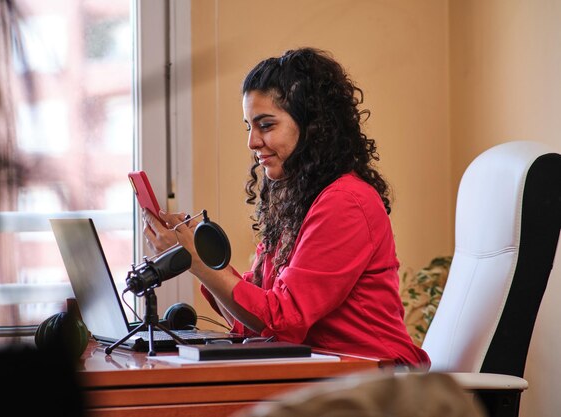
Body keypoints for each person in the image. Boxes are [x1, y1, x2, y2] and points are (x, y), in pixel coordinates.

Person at [143, 47, 430, 367]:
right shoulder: (295, 204)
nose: (252, 142)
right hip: (321, 375)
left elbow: (283, 321)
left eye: (265, 125)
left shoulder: (345, 202)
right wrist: (199, 256)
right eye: (248, 126)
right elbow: (254, 323)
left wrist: (198, 263)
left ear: (313, 126)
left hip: (374, 381)